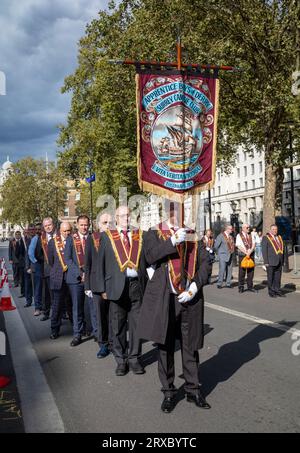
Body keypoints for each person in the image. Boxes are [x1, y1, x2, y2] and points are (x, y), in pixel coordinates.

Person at [137, 203, 212, 413]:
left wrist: (196, 286)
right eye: (173, 212)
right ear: (166, 213)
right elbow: (149, 256)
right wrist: (172, 241)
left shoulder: (192, 233)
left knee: (190, 346)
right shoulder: (154, 233)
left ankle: (193, 389)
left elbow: (206, 261)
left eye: (181, 212)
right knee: (165, 346)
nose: (178, 215)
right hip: (165, 298)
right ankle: (168, 392)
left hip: (189, 297)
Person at [96, 205, 147, 376]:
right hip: (116, 287)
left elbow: (146, 259)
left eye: (128, 215)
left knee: (137, 325)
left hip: (135, 285)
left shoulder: (139, 235)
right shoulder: (107, 236)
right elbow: (100, 263)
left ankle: (134, 358)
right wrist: (101, 289)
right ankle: (121, 360)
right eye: (122, 216)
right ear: (116, 218)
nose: (126, 218)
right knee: (117, 326)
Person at [85, 212, 113, 359]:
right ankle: (103, 344)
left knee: (114, 315)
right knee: (100, 315)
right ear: (97, 224)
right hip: (97, 284)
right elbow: (88, 263)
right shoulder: (92, 239)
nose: (107, 225)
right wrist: (87, 286)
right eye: (104, 222)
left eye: (110, 222)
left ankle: (115, 342)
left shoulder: (116, 237)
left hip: (113, 283)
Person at [65, 215, 90, 347]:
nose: (84, 227)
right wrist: (80, 273)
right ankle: (77, 334)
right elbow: (68, 259)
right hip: (76, 279)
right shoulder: (70, 239)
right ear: (77, 225)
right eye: (81, 224)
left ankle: (96, 332)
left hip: (91, 278)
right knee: (77, 308)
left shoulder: (93, 238)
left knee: (93, 307)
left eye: (86, 224)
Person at [48, 222, 73, 339]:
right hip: (58, 278)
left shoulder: (74, 241)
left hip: (72, 278)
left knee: (73, 305)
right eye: (65, 231)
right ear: (60, 231)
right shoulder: (52, 242)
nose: (67, 233)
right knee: (57, 306)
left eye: (69, 231)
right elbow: (51, 261)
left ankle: (78, 328)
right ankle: (54, 329)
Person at [34, 217, 56, 321]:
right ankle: (46, 313)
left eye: (49, 225)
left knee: (61, 293)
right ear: (44, 227)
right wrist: (48, 259)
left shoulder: (59, 235)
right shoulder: (41, 238)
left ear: (53, 224)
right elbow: (37, 254)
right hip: (47, 270)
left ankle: (63, 312)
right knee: (47, 293)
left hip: (61, 269)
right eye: (46, 226)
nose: (48, 227)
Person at [262, 224, 285, 298]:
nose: (275, 231)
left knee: (278, 277)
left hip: (279, 261)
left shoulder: (279, 237)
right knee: (271, 277)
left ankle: (277, 290)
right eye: (273, 229)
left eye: (276, 229)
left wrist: (283, 260)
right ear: (270, 230)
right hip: (270, 261)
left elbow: (282, 250)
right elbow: (264, 251)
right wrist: (266, 262)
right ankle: (271, 292)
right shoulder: (266, 238)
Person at [235, 224, 256, 293]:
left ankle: (250, 286)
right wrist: (246, 252)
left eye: (249, 227)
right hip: (243, 255)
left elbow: (254, 244)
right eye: (247, 227)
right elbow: (238, 245)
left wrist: (250, 251)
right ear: (243, 228)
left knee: (251, 271)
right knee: (242, 272)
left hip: (251, 254)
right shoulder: (239, 235)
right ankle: (241, 287)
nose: (248, 228)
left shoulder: (251, 235)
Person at [28, 223, 43, 316]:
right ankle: (37, 308)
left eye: (39, 229)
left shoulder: (45, 238)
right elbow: (30, 253)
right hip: (37, 266)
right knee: (37, 288)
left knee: (45, 288)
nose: (38, 231)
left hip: (46, 266)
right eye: (36, 229)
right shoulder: (34, 239)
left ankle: (45, 307)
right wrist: (36, 262)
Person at [214, 224, 235, 288]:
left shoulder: (231, 237)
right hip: (222, 255)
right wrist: (219, 254)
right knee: (222, 269)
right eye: (231, 229)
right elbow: (216, 246)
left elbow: (232, 245)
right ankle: (219, 283)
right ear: (227, 229)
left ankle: (228, 283)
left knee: (229, 270)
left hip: (230, 254)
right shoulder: (220, 236)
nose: (232, 230)